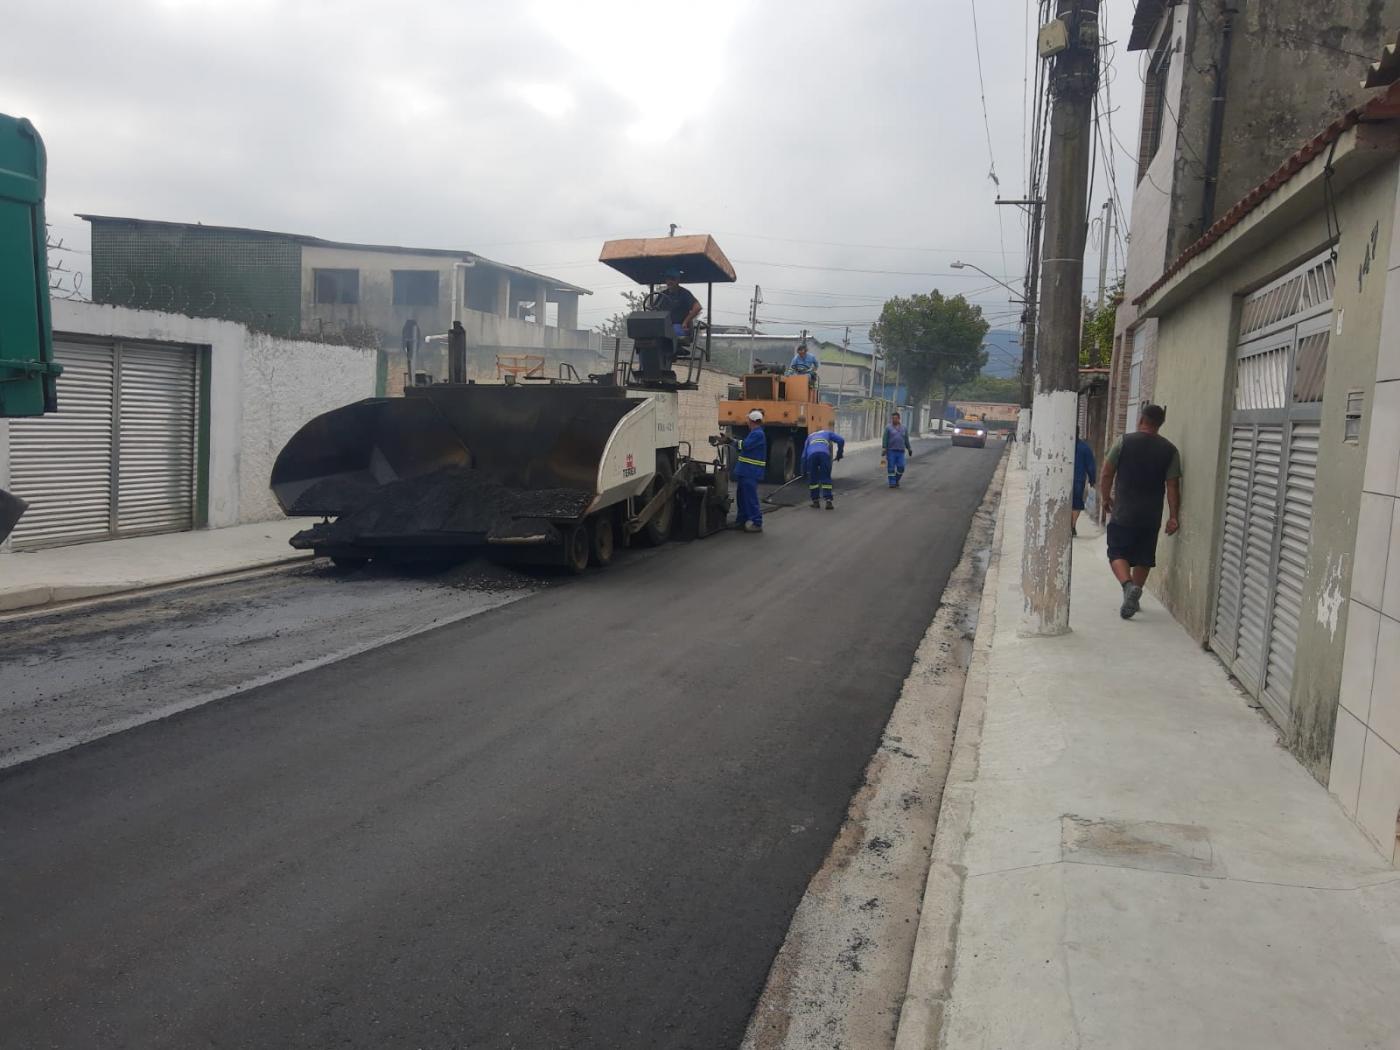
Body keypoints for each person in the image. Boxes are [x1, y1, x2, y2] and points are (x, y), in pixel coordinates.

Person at [1099, 404, 1182, 620]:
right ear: (1161, 424)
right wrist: (1173, 517)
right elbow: (1173, 486)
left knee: (1116, 552)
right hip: (1151, 515)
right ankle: (1134, 594)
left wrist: (1105, 497)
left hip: (1123, 511)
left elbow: (1107, 473)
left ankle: (1128, 587)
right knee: (1144, 558)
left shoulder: (1124, 442)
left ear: (1141, 419)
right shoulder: (1170, 450)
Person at [731, 409, 767, 533]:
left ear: (751, 421)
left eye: (748, 420)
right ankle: (741, 521)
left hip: (751, 472)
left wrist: (732, 441)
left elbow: (745, 446)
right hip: (745, 471)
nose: (747, 422)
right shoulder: (754, 433)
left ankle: (757, 523)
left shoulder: (757, 433)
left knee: (750, 497)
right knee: (741, 497)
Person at [801, 426, 845, 510]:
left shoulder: (809, 437)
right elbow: (841, 440)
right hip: (824, 455)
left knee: (813, 479)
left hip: (811, 455)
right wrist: (839, 454)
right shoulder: (827, 432)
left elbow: (803, 457)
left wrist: (803, 471)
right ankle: (828, 501)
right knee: (825, 478)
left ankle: (815, 502)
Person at [660, 268, 701, 340]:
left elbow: (697, 307)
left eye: (672, 279)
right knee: (647, 333)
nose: (670, 281)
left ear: (678, 280)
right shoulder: (662, 294)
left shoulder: (684, 293)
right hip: (663, 326)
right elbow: (653, 309)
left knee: (673, 332)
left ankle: (672, 350)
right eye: (668, 279)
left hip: (679, 326)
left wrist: (685, 322)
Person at [1072, 432, 1096, 537]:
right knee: (1077, 503)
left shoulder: (1063, 445)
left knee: (1067, 503)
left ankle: (1069, 525)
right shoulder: (1084, 448)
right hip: (1079, 479)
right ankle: (1072, 525)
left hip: (1064, 480)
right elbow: (1091, 465)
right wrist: (1092, 479)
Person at [881, 411, 913, 488]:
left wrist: (909, 448)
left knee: (901, 467)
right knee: (891, 467)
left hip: (901, 451)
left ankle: (896, 479)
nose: (894, 420)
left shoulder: (904, 428)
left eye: (895, 418)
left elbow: (906, 440)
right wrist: (884, 448)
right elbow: (885, 438)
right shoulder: (888, 427)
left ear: (899, 419)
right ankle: (892, 482)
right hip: (891, 451)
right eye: (893, 418)